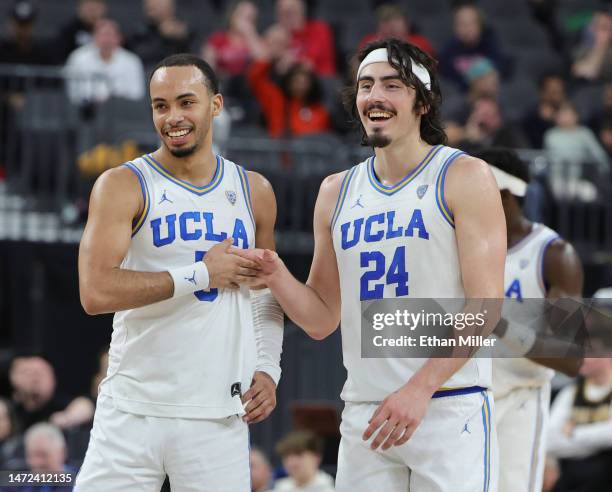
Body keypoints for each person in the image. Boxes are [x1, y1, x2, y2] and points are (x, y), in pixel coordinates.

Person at [234, 38, 506, 491]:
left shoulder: (464, 176)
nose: (374, 96)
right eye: (365, 85)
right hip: (366, 414)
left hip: (447, 405)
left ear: (423, 101)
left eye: (392, 85)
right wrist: (276, 275)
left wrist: (419, 389)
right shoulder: (336, 192)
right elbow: (322, 318)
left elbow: (486, 308)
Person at [75, 53, 283, 491]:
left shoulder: (254, 191)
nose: (173, 117)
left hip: (216, 417)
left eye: (186, 102)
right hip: (132, 411)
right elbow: (94, 291)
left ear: (216, 105)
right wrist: (202, 275)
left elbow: (265, 292)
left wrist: (268, 368)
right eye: (160, 105)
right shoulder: (122, 184)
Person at [473, 148, 584, 492]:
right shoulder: (462, 247)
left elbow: (570, 358)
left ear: (503, 196)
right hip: (464, 396)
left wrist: (501, 326)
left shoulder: (553, 254)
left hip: (519, 400)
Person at [547, 357, 612, 491]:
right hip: (571, 481)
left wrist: (574, 431)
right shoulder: (570, 392)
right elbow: (549, 441)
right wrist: (599, 436)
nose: (583, 359)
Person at [65, 19, 145, 104]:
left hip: (122, 111)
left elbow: (137, 93)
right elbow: (72, 91)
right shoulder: (78, 58)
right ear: (94, 37)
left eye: (110, 35)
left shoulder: (131, 61)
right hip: (86, 111)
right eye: (102, 35)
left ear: (119, 38)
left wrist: (113, 98)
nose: (106, 40)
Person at [127, 0, 194, 68]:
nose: (150, 6)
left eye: (157, 4)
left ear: (170, 8)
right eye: (148, 4)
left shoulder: (182, 31)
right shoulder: (139, 32)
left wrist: (181, 35)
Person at [358, 3, 434, 56]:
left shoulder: (420, 43)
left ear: (406, 24)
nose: (392, 25)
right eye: (386, 20)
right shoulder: (369, 42)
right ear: (378, 25)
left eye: (397, 19)